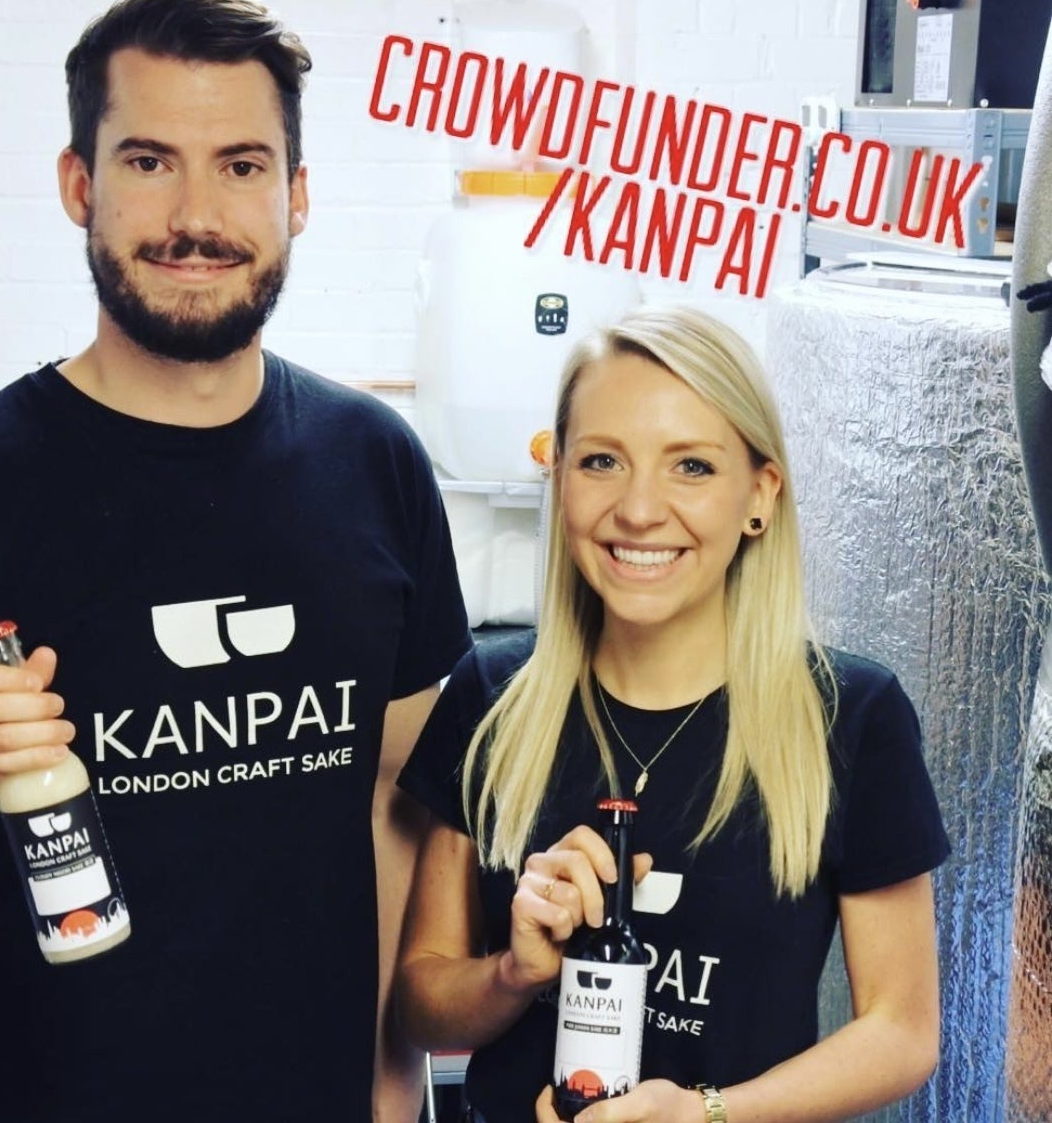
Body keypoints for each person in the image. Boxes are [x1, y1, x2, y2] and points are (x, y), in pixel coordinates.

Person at [0, 0, 471, 1123]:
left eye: (241, 165)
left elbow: (395, 802)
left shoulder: (376, 463)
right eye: (149, 161)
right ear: (79, 185)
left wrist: (394, 1085)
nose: (195, 216)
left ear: (296, 196)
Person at [395, 306, 950, 1123]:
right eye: (602, 461)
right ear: (559, 477)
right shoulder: (491, 694)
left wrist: (708, 1114)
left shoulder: (851, 717)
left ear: (759, 495)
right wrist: (515, 973)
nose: (639, 510)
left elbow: (901, 1032)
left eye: (691, 466)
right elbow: (419, 1007)